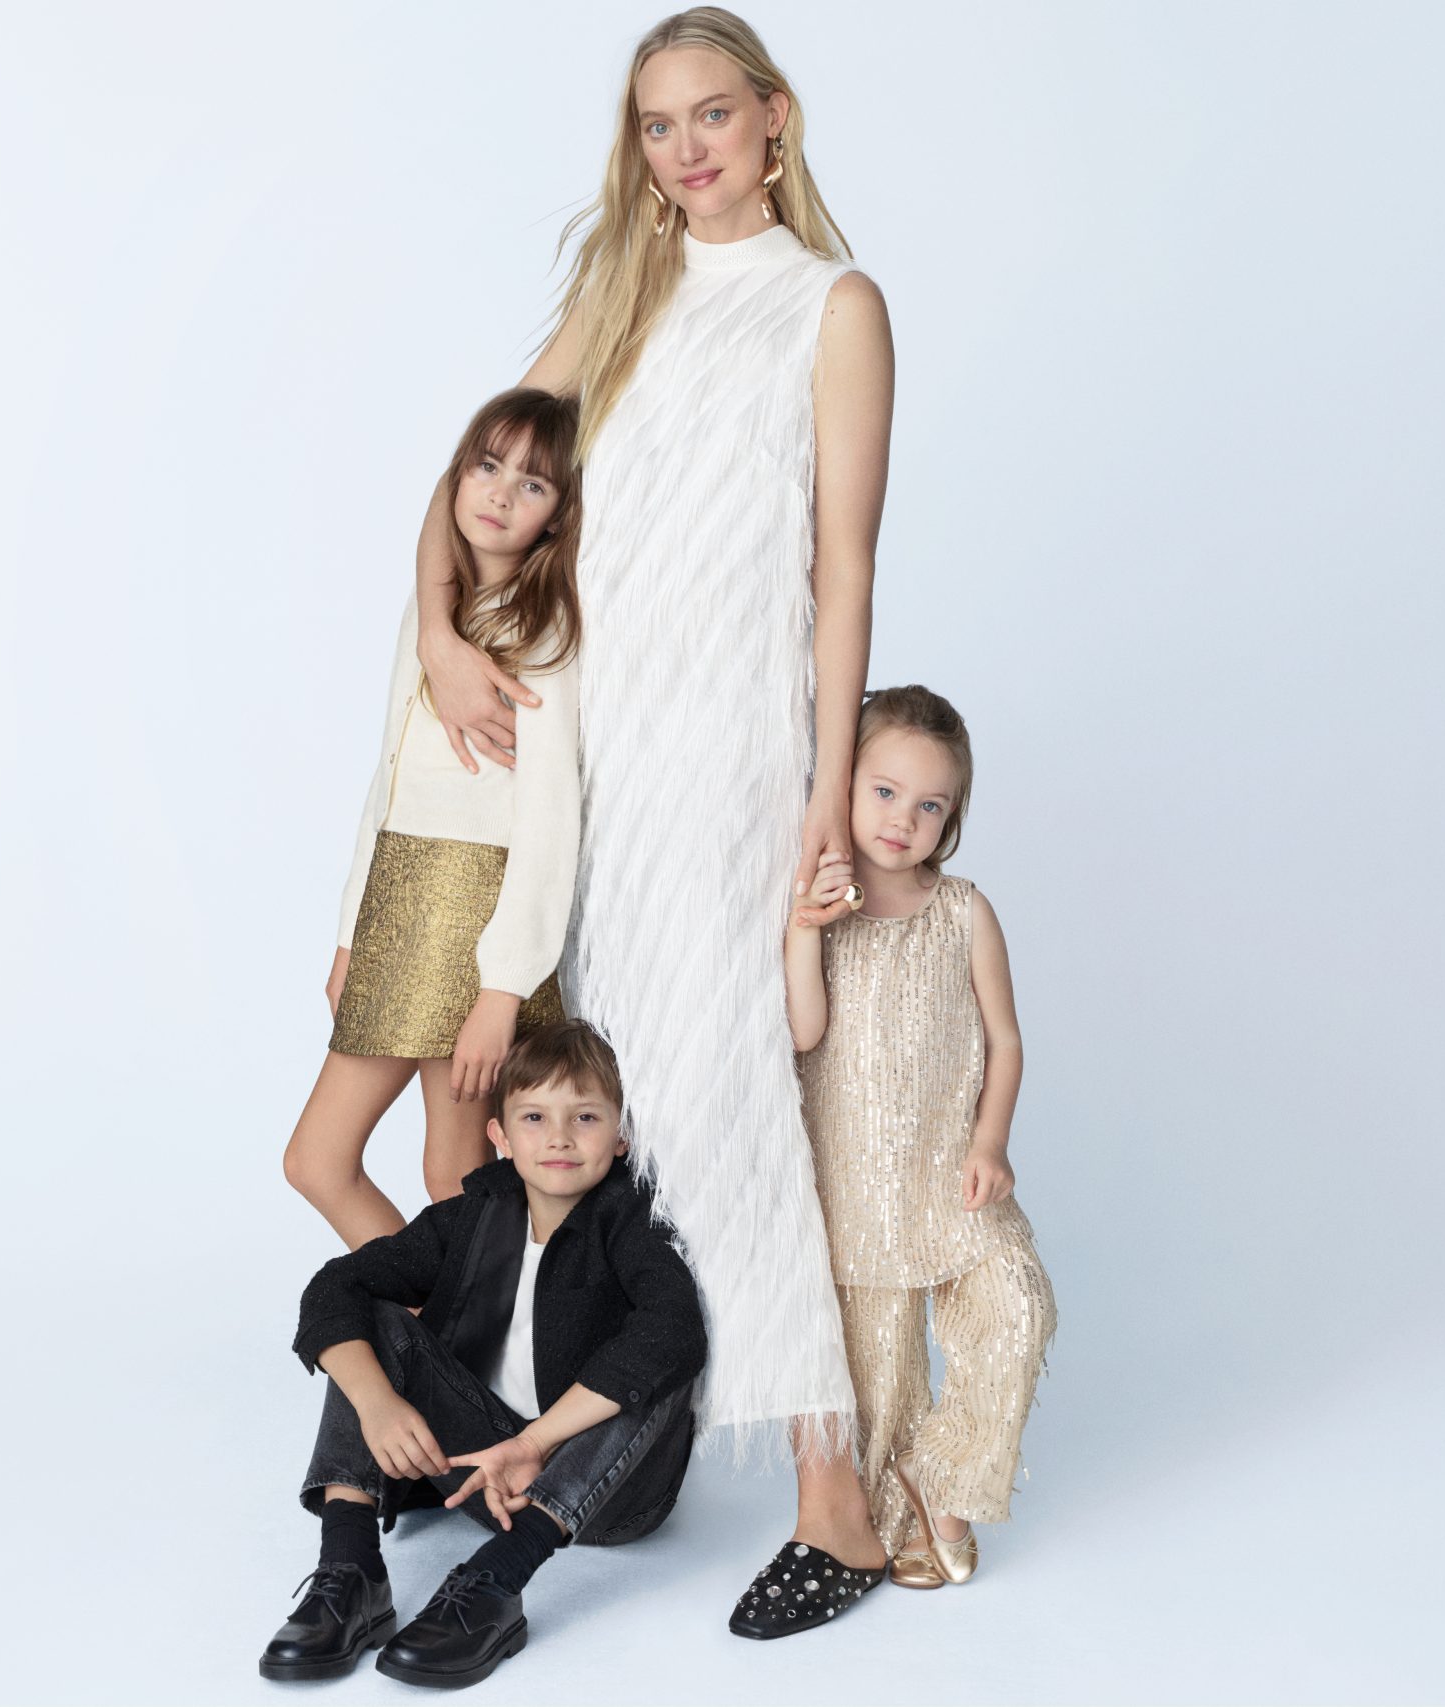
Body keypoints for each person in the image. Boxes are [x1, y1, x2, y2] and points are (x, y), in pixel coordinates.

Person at [408, 8, 898, 1634]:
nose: (685, 149)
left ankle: (836, 1497)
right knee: (600, 1094)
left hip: (730, 753)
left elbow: (843, 569)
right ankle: (609, 1435)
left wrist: (825, 796)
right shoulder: (618, 291)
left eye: (712, 115)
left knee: (722, 1095)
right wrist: (440, 634)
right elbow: (484, 471)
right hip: (585, 749)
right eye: (654, 125)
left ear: (774, 117)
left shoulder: (832, 306)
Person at [263, 1020, 708, 1689]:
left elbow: (673, 1332)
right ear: (500, 1134)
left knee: (658, 1357)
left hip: (606, 1494)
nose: (559, 1137)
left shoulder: (632, 1221)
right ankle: (350, 1570)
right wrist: (378, 1404)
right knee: (370, 1314)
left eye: (585, 1117)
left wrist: (536, 1441)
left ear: (622, 1136)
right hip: (479, 1476)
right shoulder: (474, 1213)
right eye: (535, 1117)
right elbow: (334, 1287)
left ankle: (497, 1578)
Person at [284, 390, 583, 1250]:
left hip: (477, 914)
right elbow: (387, 780)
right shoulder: (430, 614)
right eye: (487, 466)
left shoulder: (549, 630)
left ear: (558, 515)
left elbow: (551, 819)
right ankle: (445, 1321)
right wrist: (354, 933)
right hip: (402, 900)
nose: (500, 492)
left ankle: (465, 1327)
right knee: (334, 1162)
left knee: (452, 1171)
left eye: (532, 484)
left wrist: (503, 987)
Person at [785, 686, 1057, 1591]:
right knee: (881, 1378)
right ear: (843, 785)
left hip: (950, 1172)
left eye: (930, 804)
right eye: (885, 791)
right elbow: (804, 1032)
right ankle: (902, 1513)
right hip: (854, 1188)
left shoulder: (965, 910)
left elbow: (1005, 1040)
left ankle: (947, 1476)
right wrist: (804, 926)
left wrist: (992, 1142)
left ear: (953, 817)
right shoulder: (821, 909)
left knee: (1018, 1305)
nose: (903, 820)